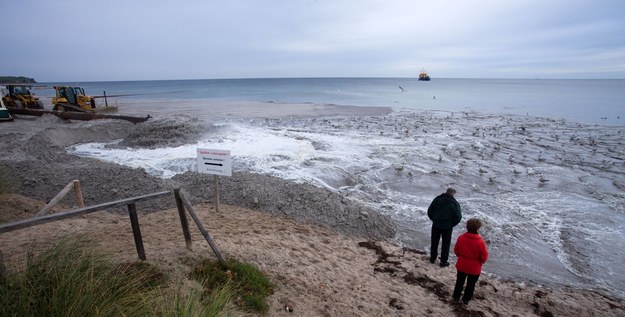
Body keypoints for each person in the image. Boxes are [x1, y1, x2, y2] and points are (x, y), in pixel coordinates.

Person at [452, 218, 489, 305]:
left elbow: (456, 250)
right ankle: (466, 299)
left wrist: (461, 257)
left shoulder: (461, 237)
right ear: (478, 228)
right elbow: (484, 256)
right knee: (471, 285)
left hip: (462, 265)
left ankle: (456, 296)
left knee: (459, 282)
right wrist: (481, 261)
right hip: (474, 268)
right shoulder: (481, 242)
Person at [427, 187, 462, 267]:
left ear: (446, 192)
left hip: (436, 224)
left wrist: (433, 219)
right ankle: (443, 262)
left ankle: (432, 258)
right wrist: (451, 224)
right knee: (446, 244)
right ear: (453, 193)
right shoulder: (455, 203)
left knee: (434, 242)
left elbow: (430, 211)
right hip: (447, 227)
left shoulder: (437, 199)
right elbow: (458, 217)